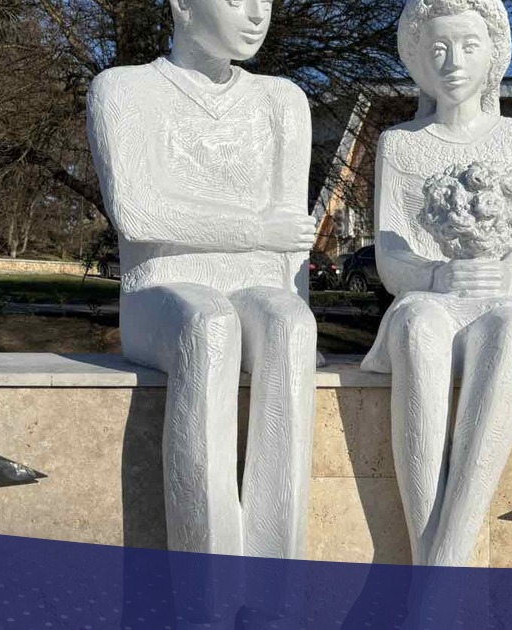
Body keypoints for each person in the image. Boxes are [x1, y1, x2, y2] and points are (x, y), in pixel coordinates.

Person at [86, 0, 316, 567]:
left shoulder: (282, 100)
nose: (256, 15)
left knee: (291, 326)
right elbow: (138, 214)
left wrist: (297, 305)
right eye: (236, 0)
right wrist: (254, 228)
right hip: (162, 286)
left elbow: (291, 239)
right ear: (183, 6)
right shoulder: (124, 89)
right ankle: (206, 583)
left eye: (264, 0)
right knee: (209, 324)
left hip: (259, 284)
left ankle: (275, 583)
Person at [362, 0, 512, 568]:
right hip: (428, 300)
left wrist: (507, 274)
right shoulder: (400, 143)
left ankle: (440, 564)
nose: (453, 62)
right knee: (418, 324)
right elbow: (390, 257)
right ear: (415, 60)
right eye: (437, 49)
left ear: (494, 55)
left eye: (468, 47)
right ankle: (440, 567)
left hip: (497, 301)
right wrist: (435, 273)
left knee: (508, 331)